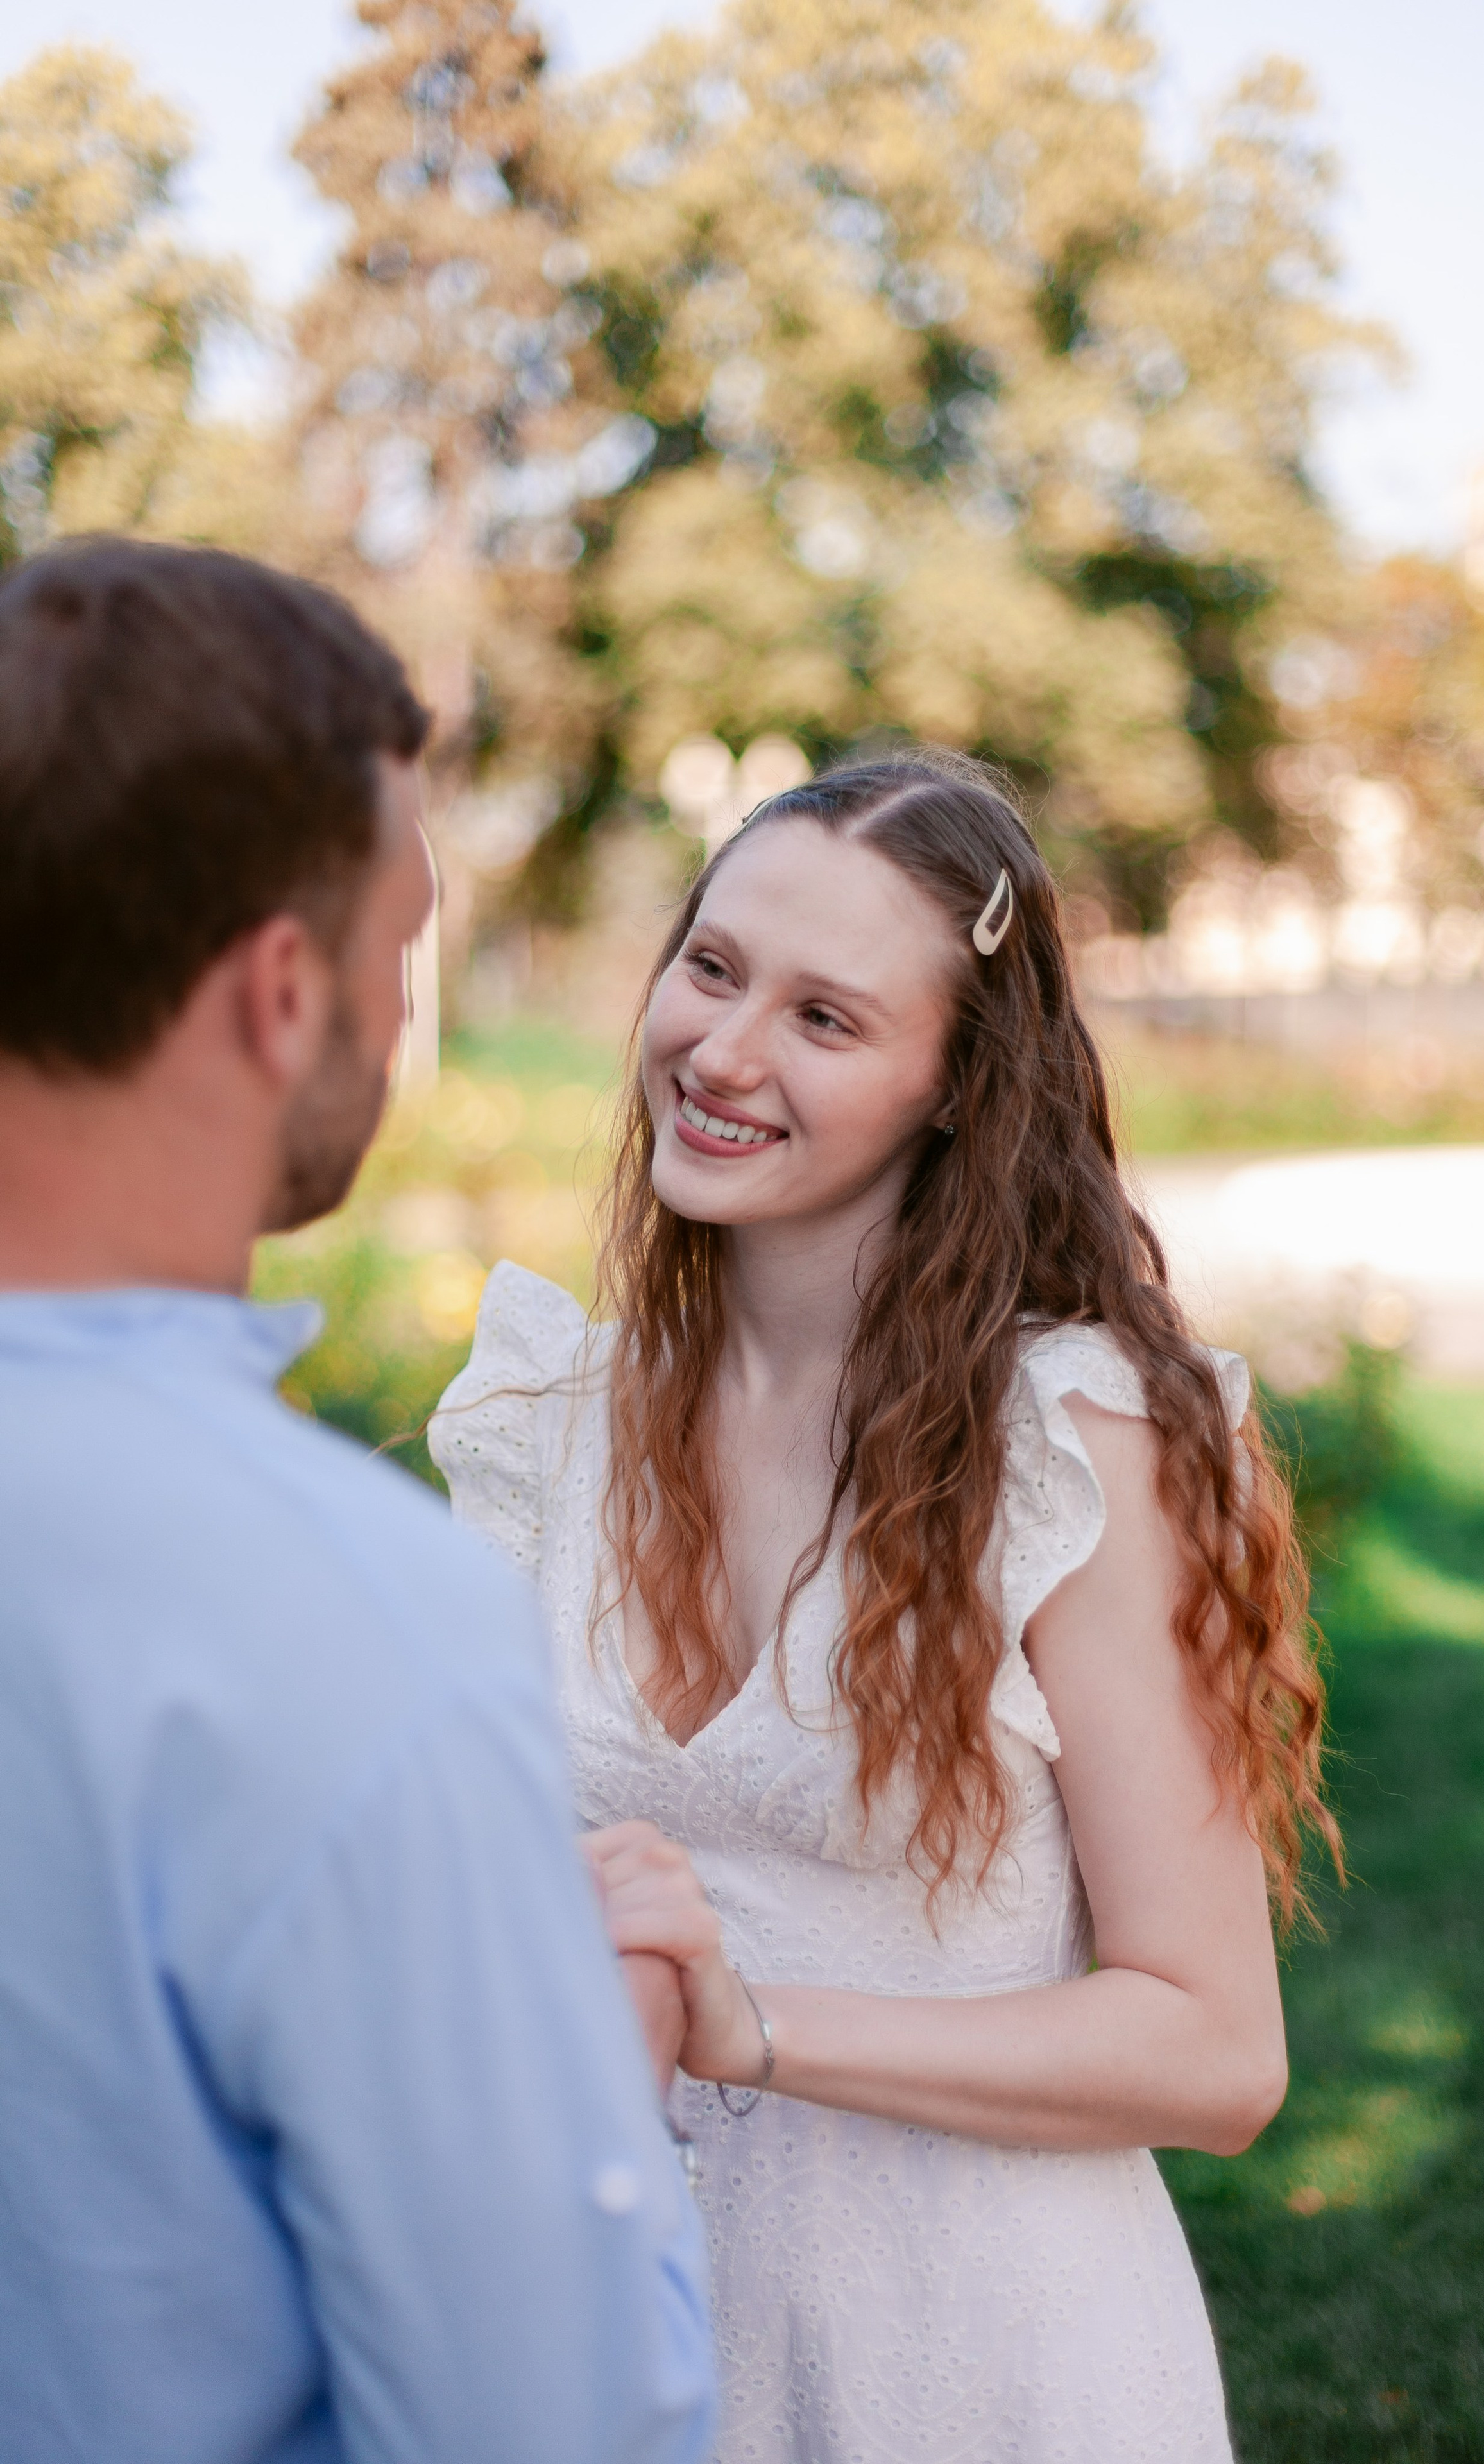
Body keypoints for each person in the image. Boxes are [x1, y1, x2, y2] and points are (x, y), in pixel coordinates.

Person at [434, 752, 1338, 2463]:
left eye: (826, 1019)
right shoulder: (547, 1426)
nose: (725, 1051)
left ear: (954, 1086)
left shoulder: (1068, 1452)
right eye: (712, 968)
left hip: (981, 2363)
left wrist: (754, 2030)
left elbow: (1216, 2048)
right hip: (627, 2354)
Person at [0, 539, 714, 2464]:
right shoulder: (345, 1618)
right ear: (286, 989)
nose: (405, 1021)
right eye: (405, 950)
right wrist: (598, 2050)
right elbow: (547, 2430)